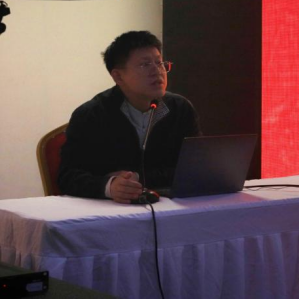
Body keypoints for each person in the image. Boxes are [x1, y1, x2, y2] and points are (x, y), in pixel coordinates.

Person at [57, 31, 200, 203]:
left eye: (159, 63)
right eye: (145, 65)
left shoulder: (180, 108)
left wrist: (138, 178)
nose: (157, 71)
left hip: (169, 205)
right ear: (118, 76)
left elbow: (195, 168)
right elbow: (67, 176)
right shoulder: (91, 114)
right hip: (111, 210)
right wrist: (109, 186)